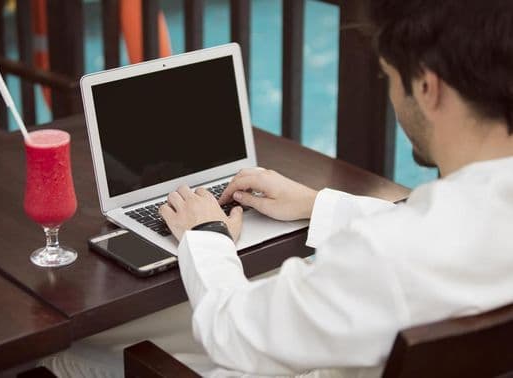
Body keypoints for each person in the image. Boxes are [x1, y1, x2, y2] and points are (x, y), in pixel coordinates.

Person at [42, 0, 513, 376]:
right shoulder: (464, 220)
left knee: (61, 357)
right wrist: (314, 204)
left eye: (389, 77)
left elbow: (232, 332)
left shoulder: (385, 260)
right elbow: (428, 234)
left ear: (427, 88)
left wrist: (205, 232)